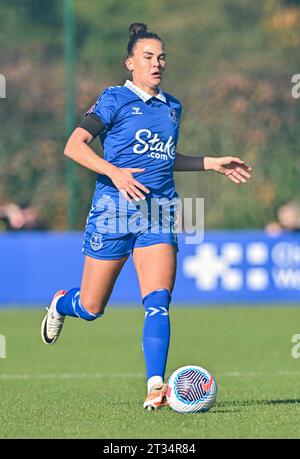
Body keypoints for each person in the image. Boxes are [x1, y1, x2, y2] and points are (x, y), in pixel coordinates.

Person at [41, 23, 252, 410]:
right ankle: (61, 303)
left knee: (158, 302)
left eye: (162, 57)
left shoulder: (172, 107)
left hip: (159, 212)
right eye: (148, 57)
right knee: (91, 307)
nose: (158, 64)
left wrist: (210, 163)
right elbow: (74, 146)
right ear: (130, 62)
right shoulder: (114, 99)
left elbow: (166, 160)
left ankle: (156, 387)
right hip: (112, 213)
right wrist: (113, 171)